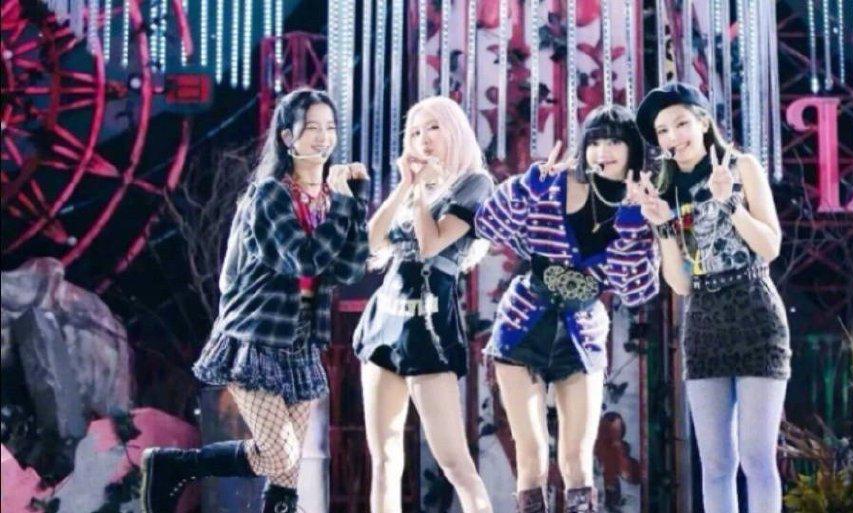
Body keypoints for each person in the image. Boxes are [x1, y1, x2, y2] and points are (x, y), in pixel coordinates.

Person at [140, 88, 370, 513]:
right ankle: (176, 465)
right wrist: (342, 206)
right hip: (257, 337)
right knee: (281, 455)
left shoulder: (327, 200)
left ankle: (177, 468)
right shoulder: (269, 196)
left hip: (301, 343)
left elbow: (349, 269)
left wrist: (356, 204)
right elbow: (303, 258)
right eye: (312, 128)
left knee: (286, 473)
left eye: (330, 127)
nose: (324, 137)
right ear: (287, 137)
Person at [475, 105, 660, 513]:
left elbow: (636, 289)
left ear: (632, 150)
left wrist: (633, 219)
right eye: (595, 141)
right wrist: (527, 186)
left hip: (582, 336)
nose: (603, 151)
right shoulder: (553, 184)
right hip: (523, 327)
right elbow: (488, 226)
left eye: (614, 142)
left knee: (577, 462)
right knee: (532, 457)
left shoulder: (640, 205)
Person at [632, 82, 791, 513]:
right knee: (716, 464)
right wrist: (663, 227)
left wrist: (730, 203)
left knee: (757, 458)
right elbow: (681, 284)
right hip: (703, 320)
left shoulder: (742, 167)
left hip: (755, 312)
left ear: (703, 122)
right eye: (663, 131)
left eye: (681, 123)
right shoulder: (666, 188)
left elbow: (770, 246)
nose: (673, 136)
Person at [352, 96, 495, 513]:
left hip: (429, 321)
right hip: (386, 318)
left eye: (433, 127)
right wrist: (406, 185)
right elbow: (371, 243)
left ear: (454, 130)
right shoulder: (417, 187)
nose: (423, 139)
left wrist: (417, 193)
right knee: (384, 458)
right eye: (414, 132)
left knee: (453, 460)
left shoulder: (474, 183)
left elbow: (431, 244)